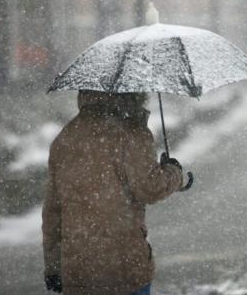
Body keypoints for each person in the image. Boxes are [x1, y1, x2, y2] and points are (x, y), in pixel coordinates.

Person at [42, 90, 184, 295]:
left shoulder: (66, 137)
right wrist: (173, 172)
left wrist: (54, 267)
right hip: (124, 268)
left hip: (78, 272)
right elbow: (150, 188)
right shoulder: (132, 133)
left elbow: (53, 212)